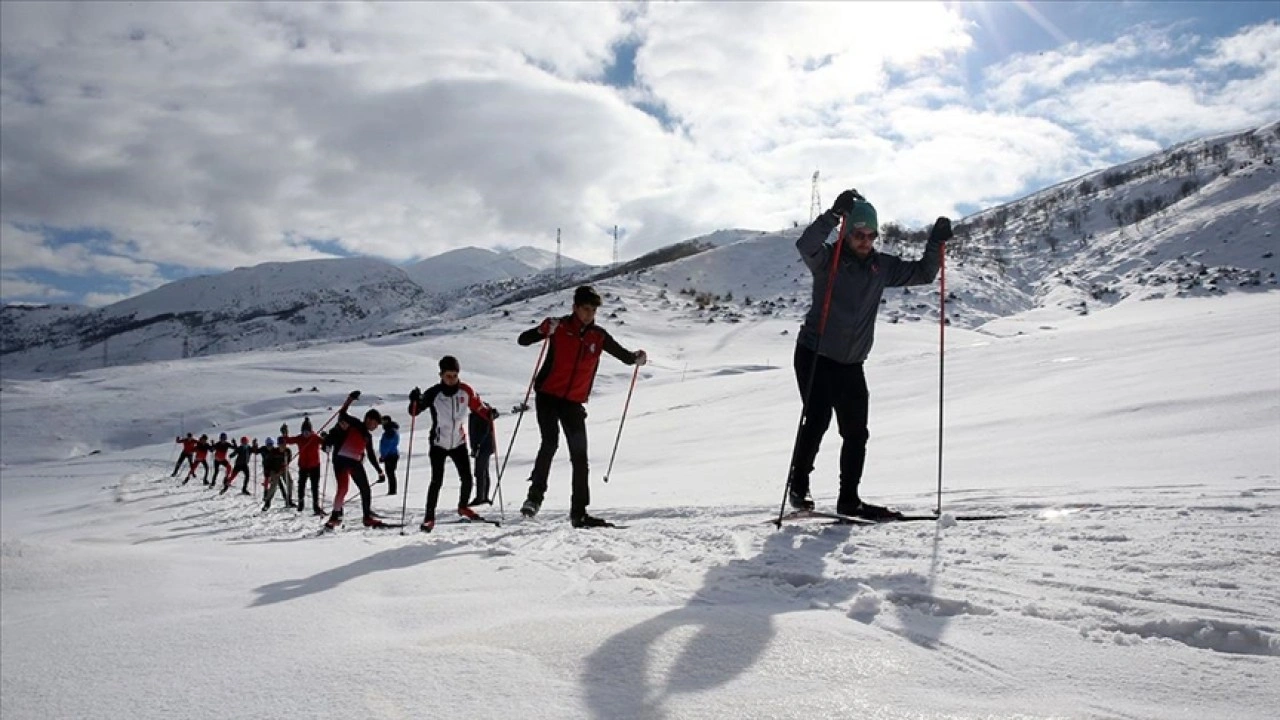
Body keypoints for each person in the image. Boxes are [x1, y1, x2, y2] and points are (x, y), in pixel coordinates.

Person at [789, 189, 951, 519]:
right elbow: (805, 245)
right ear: (847, 234)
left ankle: (849, 499)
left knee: (856, 431)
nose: (865, 240)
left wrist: (935, 242)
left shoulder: (881, 267)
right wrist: (833, 215)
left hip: (851, 363)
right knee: (817, 419)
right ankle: (799, 484)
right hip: (815, 354)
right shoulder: (828, 261)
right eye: (859, 234)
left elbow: (923, 273)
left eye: (870, 235)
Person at [516, 285, 647, 528]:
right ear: (575, 307)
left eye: (593, 310)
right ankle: (534, 499)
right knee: (550, 443)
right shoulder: (558, 327)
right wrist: (542, 330)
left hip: (573, 403)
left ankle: (579, 514)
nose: (589, 314)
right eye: (586, 309)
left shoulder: (598, 336)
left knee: (580, 457)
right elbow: (523, 340)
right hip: (547, 396)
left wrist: (638, 357)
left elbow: (625, 356)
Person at [408, 356, 495, 532]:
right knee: (436, 480)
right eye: (448, 376)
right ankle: (429, 518)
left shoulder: (466, 390)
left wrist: (490, 413)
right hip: (438, 442)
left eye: (455, 375)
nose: (452, 379)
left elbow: (479, 408)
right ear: (441, 375)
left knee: (467, 478)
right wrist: (414, 401)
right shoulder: (434, 393)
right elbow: (414, 412)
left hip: (458, 441)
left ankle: (463, 506)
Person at [321, 391, 388, 530]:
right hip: (341, 460)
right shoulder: (355, 424)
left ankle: (367, 518)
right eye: (376, 424)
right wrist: (350, 399)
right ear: (369, 419)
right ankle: (335, 517)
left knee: (365, 489)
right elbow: (342, 413)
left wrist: (380, 471)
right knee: (343, 489)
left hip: (355, 463)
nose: (376, 427)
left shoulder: (367, 437)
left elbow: (370, 455)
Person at [283, 416, 326, 515]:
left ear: (311, 431)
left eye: (308, 432)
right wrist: (285, 433)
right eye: (304, 432)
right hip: (303, 466)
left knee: (315, 487)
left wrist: (325, 438)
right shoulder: (299, 438)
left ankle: (316, 507)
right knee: (301, 485)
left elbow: (325, 443)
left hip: (315, 466)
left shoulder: (315, 438)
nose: (306, 434)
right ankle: (301, 504)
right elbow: (288, 440)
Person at [467, 401, 500, 506]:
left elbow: (482, 431)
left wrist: (477, 445)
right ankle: (483, 496)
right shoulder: (481, 410)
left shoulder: (479, 412)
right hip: (485, 446)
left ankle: (480, 498)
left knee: (480, 471)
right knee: (483, 471)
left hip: (483, 446)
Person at [259, 438, 293, 511]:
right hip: (274, 470)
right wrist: (268, 473)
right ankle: (267, 503)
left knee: (289, 482)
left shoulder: (287, 451)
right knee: (274, 485)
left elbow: (289, 460)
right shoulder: (273, 452)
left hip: (283, 469)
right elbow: (267, 463)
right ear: (278, 445)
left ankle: (289, 501)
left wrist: (285, 464)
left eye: (284, 445)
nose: (282, 446)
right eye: (280, 445)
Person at [378, 415, 401, 495]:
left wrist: (383, 455)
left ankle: (392, 491)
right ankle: (392, 490)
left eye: (383, 421)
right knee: (390, 473)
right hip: (392, 454)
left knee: (390, 473)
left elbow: (387, 445)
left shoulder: (390, 431)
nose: (382, 423)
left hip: (390, 455)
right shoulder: (391, 430)